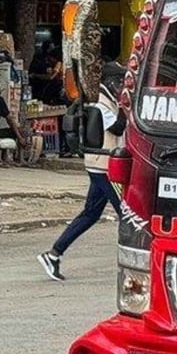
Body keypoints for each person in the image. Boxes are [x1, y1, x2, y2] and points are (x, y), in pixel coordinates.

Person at [37, 64, 126, 282]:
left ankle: (54, 254)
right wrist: (126, 105)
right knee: (128, 215)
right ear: (111, 82)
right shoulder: (101, 103)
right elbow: (118, 127)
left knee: (90, 214)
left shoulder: (107, 100)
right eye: (120, 82)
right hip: (104, 166)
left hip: (102, 165)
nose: (122, 86)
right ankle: (136, 265)